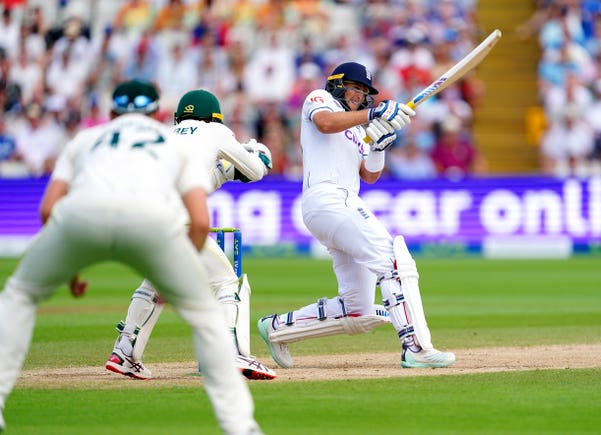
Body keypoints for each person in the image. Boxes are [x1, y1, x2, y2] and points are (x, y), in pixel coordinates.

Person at [0, 80, 262, 435]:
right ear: (154, 114)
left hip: (81, 218)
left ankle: (124, 353)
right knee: (220, 288)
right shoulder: (176, 143)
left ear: (111, 114)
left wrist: (71, 268)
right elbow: (203, 214)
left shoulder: (88, 138)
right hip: (153, 220)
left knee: (18, 297)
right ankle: (239, 417)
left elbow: (48, 208)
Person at [257, 61, 456, 370]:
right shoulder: (318, 99)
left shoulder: (355, 127)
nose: (360, 95)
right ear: (338, 84)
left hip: (340, 203)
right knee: (395, 260)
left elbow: (369, 176)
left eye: (365, 92)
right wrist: (374, 114)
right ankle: (416, 347)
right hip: (328, 198)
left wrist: (378, 146)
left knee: (358, 309)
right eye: (356, 88)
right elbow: (325, 123)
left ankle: (278, 328)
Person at [105, 88, 277, 381]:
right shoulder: (216, 130)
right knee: (227, 283)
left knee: (155, 284)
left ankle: (124, 353)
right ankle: (234, 354)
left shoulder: (167, 135)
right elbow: (256, 171)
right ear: (214, 115)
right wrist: (257, 152)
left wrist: (222, 172)